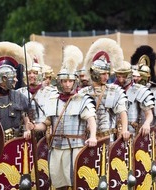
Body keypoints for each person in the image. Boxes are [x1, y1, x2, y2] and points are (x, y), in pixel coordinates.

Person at [33, 45, 97, 189]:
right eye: (64, 81)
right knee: (58, 182)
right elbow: (46, 123)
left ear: (75, 82)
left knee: (75, 181)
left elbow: (91, 119)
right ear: (60, 82)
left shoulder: (82, 99)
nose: (67, 84)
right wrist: (34, 127)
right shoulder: (52, 100)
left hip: (76, 147)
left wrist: (92, 136)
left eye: (70, 81)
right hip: (56, 147)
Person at [78, 38, 130, 141]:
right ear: (95, 74)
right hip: (88, 140)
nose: (107, 77)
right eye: (103, 74)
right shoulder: (83, 93)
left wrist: (124, 130)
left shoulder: (114, 90)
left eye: (107, 73)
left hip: (109, 139)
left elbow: (122, 112)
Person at [0, 41, 33, 140]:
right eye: (13, 77)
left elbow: (26, 116)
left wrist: (27, 129)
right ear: (3, 79)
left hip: (15, 143)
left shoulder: (19, 96)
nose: (16, 80)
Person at [18, 41, 58, 141]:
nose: (32, 75)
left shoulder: (51, 92)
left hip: (45, 137)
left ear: (41, 74)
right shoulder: (19, 93)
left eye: (35, 73)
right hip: (24, 136)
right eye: (29, 73)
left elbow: (50, 119)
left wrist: (35, 127)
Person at [113, 60, 155, 136]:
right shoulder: (112, 90)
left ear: (129, 75)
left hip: (134, 133)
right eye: (118, 76)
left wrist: (146, 123)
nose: (120, 79)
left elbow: (149, 114)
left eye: (123, 76)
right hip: (114, 134)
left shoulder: (140, 90)